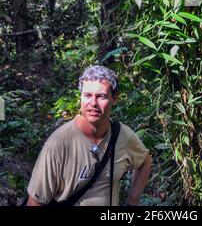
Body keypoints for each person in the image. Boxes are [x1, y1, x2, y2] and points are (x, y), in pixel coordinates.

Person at [27, 65, 152, 206]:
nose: (93, 103)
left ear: (114, 98)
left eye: (101, 96)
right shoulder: (59, 142)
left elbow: (145, 161)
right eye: (87, 95)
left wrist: (132, 201)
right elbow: (35, 202)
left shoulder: (123, 136)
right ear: (80, 97)